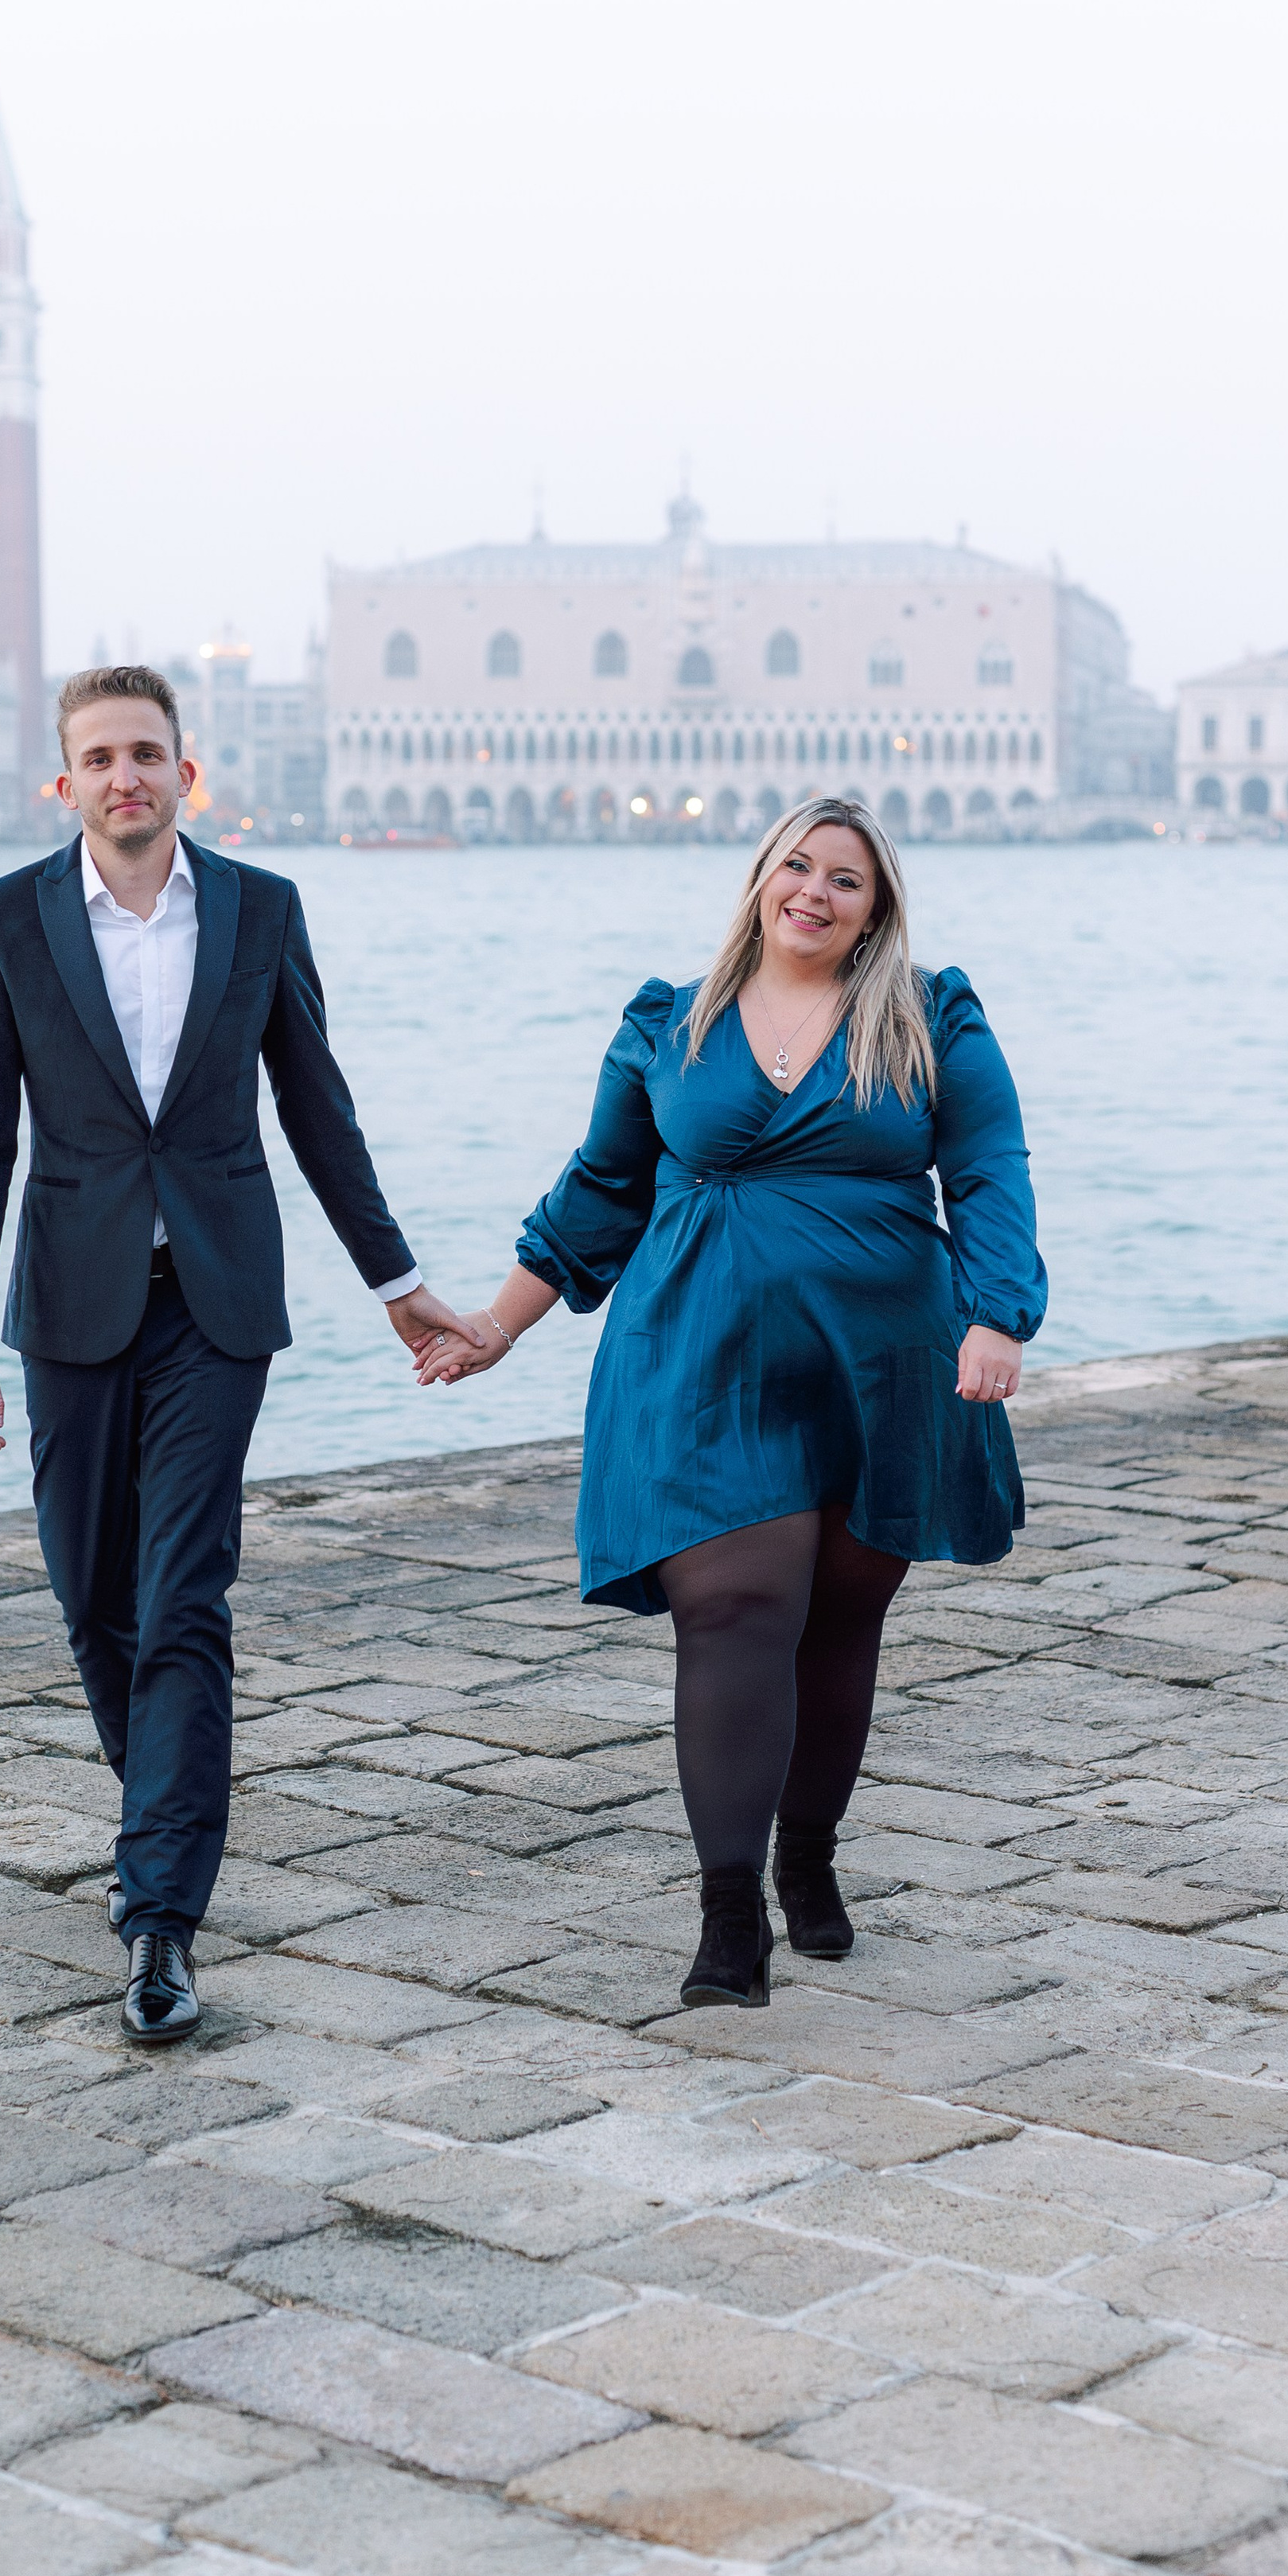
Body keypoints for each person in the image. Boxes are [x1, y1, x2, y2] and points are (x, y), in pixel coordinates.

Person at [416, 795, 1045, 2009]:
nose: (815, 891)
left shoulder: (930, 1015)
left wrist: (997, 1313)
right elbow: (601, 1190)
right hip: (698, 1357)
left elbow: (988, 1168)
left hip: (880, 1360)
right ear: (762, 878)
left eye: (846, 878)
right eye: (796, 866)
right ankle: (728, 1913)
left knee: (838, 1624)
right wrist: (499, 1322)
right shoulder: (672, 1020)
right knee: (732, 1608)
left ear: (877, 907)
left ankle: (807, 1859)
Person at [0, 665, 482, 2044]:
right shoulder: (3, 919)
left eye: (147, 753)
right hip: (68, 1301)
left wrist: (397, 1281)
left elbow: (316, 1106)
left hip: (217, 1304)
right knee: (92, 1597)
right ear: (66, 781)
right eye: (100, 756)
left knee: (184, 1594)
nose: (125, 775)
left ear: (186, 772)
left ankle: (160, 1918)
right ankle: (164, 1814)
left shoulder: (259, 908)